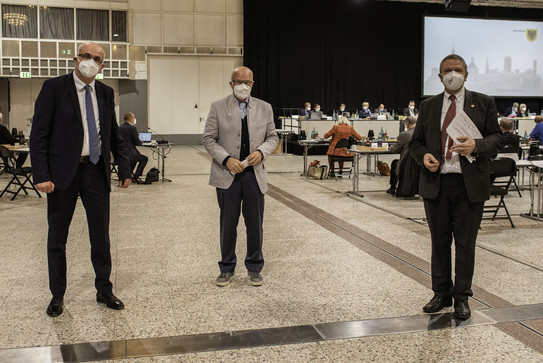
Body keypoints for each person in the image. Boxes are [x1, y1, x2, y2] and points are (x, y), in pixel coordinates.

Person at [30, 42, 132, 317]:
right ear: (76, 59)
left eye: (96, 58)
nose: (90, 61)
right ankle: (57, 295)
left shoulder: (105, 92)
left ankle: (104, 289)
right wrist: (41, 174)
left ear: (102, 66)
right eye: (86, 55)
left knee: (101, 236)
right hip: (62, 174)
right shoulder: (54, 88)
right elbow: (38, 135)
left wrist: (124, 168)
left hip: (96, 172)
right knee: (57, 237)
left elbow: (113, 135)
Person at [409, 54, 502, 320]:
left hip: (469, 183)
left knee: (465, 243)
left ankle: (462, 296)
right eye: (447, 70)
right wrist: (423, 156)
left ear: (466, 74)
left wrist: (477, 145)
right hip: (436, 182)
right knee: (439, 243)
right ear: (439, 76)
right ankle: (441, 293)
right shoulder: (428, 106)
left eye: (458, 70)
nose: (453, 74)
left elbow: (497, 139)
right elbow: (416, 143)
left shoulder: (483, 103)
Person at [202, 66, 278, 287]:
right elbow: (208, 139)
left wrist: (261, 152)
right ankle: (226, 268)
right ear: (231, 83)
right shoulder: (217, 107)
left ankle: (255, 267)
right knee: (228, 224)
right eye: (238, 82)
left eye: (247, 82)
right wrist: (226, 159)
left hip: (254, 175)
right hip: (228, 175)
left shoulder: (265, 108)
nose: (243, 86)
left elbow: (272, 137)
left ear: (252, 84)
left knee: (255, 224)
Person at [387, 116, 417, 196]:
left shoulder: (404, 134)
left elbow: (395, 150)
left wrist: (390, 147)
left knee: (394, 163)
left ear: (406, 124)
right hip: (418, 162)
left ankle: (392, 187)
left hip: (406, 163)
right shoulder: (422, 133)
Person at [119, 112, 149, 184]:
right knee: (144, 159)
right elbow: (137, 142)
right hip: (130, 153)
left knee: (135, 159)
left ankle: (128, 176)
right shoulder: (132, 128)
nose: (134, 119)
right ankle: (136, 176)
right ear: (131, 119)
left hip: (121, 153)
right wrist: (140, 141)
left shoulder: (119, 128)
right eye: (133, 118)